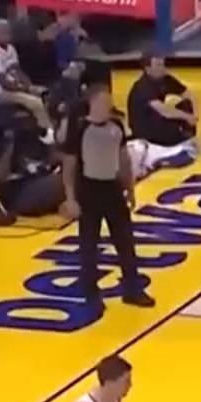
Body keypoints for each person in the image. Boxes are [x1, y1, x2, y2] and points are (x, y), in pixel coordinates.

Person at [61, 85, 153, 311]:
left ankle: (132, 289)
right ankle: (91, 294)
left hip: (112, 188)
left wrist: (129, 188)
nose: (108, 106)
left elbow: (123, 159)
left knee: (125, 241)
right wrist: (70, 198)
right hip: (88, 190)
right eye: (104, 102)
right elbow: (69, 165)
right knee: (89, 245)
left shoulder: (117, 126)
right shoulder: (80, 128)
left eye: (109, 102)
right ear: (92, 103)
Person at [123, 54, 199, 176]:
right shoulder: (143, 86)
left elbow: (188, 94)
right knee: (179, 120)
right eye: (158, 65)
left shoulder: (166, 79)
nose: (162, 68)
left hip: (157, 120)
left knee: (186, 105)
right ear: (147, 69)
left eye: (163, 64)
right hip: (145, 127)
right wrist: (187, 117)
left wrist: (195, 114)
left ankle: (180, 138)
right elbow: (163, 110)